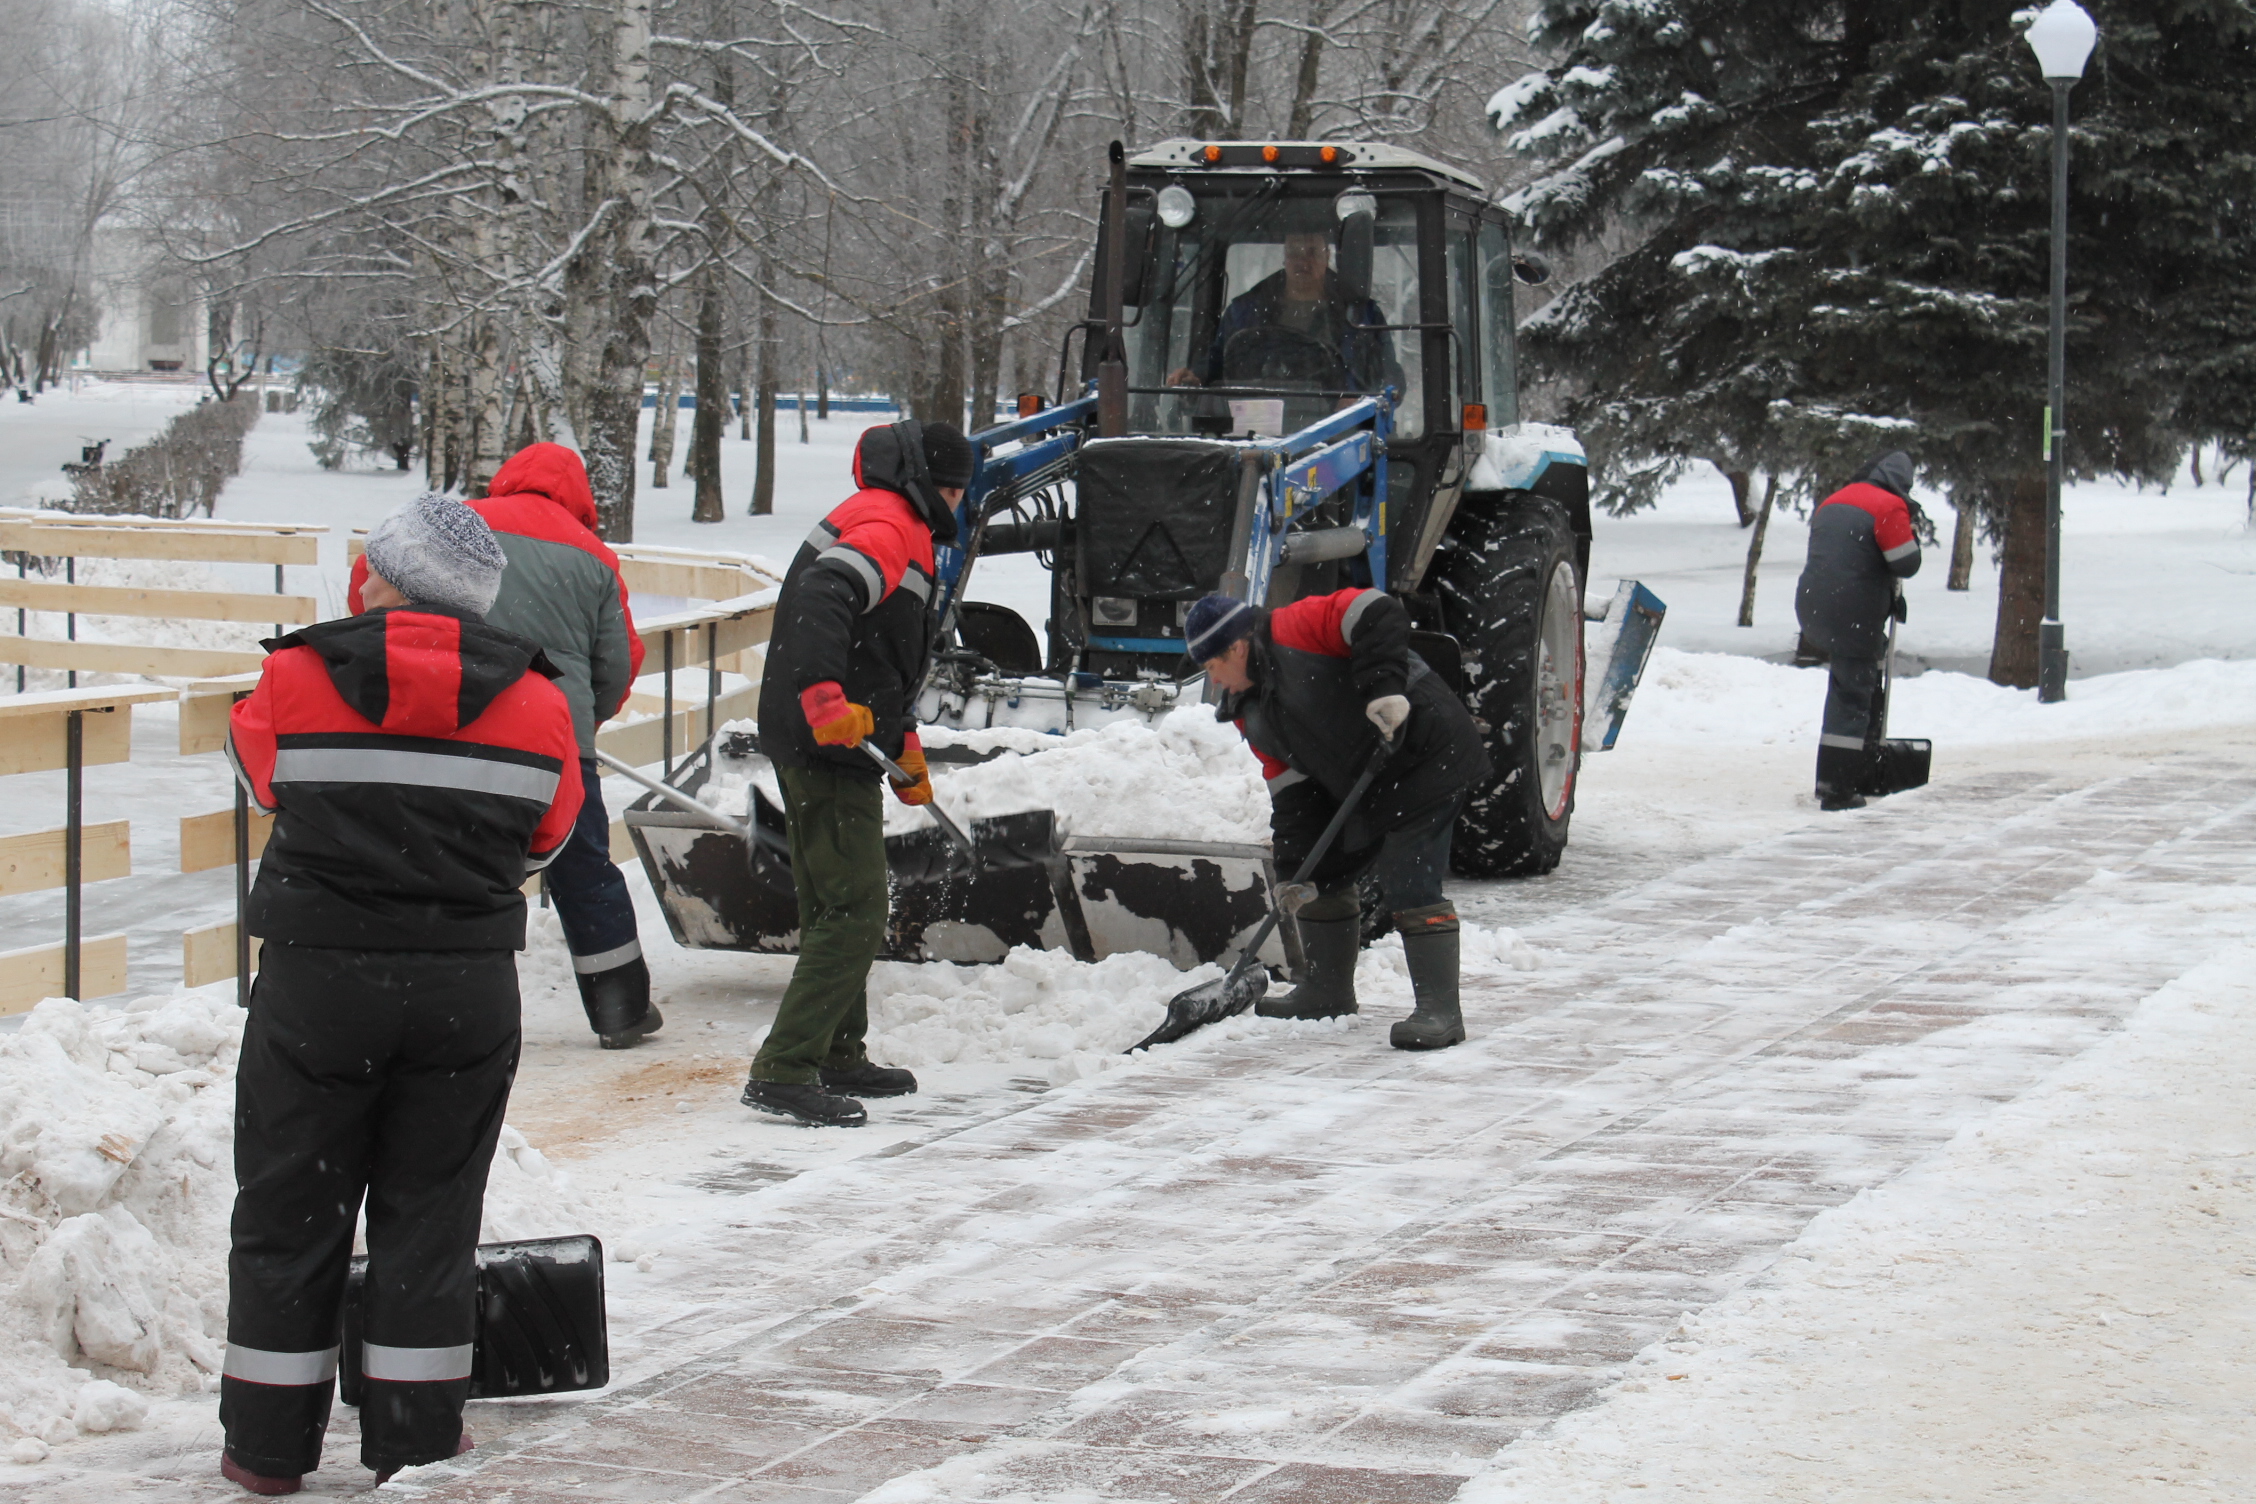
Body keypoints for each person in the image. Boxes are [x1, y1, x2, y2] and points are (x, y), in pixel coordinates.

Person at [219, 494, 582, 1495]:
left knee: (290, 1205)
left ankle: (264, 1446)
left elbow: (260, 778)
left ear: (389, 577)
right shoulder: (539, 700)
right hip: (463, 989)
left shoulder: (298, 673)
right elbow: (549, 836)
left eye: (372, 564)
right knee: (432, 1212)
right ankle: (418, 1439)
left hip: (319, 981)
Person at [349, 443, 655, 1049]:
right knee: (583, 863)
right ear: (580, 496)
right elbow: (618, 661)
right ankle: (620, 1008)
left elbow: (371, 587)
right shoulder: (594, 556)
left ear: (507, 478)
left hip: (448, 719)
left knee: (445, 862)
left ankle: (436, 1007)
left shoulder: (456, 527)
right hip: (554, 734)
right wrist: (584, 724)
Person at [743, 419, 974, 1127]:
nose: (961, 503)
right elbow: (824, 599)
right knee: (856, 909)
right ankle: (784, 1068)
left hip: (828, 738)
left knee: (831, 902)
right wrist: (822, 695)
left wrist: (903, 743)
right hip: (825, 743)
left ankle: (840, 1051)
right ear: (941, 486)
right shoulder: (889, 524)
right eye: (959, 489)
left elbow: (879, 653)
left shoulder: (887, 520)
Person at [1187, 586, 1490, 1050]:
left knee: (1408, 876)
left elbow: (1376, 610)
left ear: (1237, 647)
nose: (1216, 683)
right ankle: (1327, 991)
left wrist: (1384, 690)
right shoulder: (1251, 712)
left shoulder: (1294, 626)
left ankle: (1440, 1011)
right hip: (1368, 776)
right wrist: (1294, 870)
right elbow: (1292, 795)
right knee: (1321, 869)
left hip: (1426, 750)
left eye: (1213, 668)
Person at [1795, 450, 1925, 811]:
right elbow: (1905, 562)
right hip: (1852, 607)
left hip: (1813, 603)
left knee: (1848, 686)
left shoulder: (1834, 500)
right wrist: (1911, 532)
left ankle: (1846, 771)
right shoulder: (1888, 506)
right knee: (1853, 694)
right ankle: (1837, 789)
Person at [1166, 228, 1401, 396]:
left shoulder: (1361, 315)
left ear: (1327, 256)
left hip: (1339, 436)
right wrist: (1195, 377)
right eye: (1294, 252)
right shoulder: (1245, 311)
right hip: (1253, 426)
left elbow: (1389, 378)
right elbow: (1219, 361)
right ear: (1285, 257)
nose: (1303, 261)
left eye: (1312, 252)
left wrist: (1358, 403)